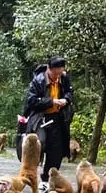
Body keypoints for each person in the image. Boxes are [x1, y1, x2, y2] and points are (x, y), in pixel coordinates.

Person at [23, 57, 73, 185]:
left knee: (56, 151)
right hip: (40, 118)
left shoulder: (64, 78)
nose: (57, 77)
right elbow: (32, 101)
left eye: (59, 74)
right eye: (55, 74)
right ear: (49, 70)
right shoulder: (38, 80)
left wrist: (66, 99)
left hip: (57, 118)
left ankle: (47, 179)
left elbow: (69, 92)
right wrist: (51, 102)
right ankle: (29, 176)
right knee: (39, 145)